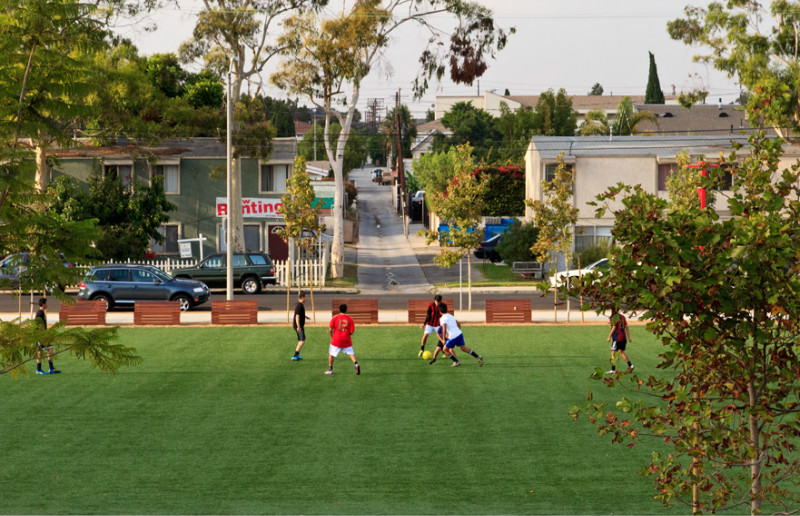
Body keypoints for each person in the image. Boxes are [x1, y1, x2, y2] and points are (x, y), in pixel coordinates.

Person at [429, 303, 483, 368]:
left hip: (453, 337)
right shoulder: (451, 316)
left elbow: (444, 328)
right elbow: (459, 324)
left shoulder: (442, 318)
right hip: (459, 334)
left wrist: (443, 339)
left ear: (439, 311)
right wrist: (456, 331)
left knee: (445, 350)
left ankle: (456, 362)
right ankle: (477, 357)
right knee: (463, 348)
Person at [326, 303, 360, 375]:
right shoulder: (350, 319)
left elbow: (330, 329)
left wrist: (332, 336)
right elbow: (352, 331)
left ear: (339, 309)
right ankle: (356, 365)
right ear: (346, 310)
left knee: (331, 354)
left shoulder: (335, 318)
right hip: (346, 339)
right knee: (351, 353)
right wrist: (347, 335)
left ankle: (330, 370)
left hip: (336, 339)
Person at [34, 298, 60, 375]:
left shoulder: (42, 312)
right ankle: (38, 370)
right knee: (40, 352)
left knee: (50, 349)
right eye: (46, 303)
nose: (47, 304)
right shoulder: (40, 313)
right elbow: (37, 325)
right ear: (43, 304)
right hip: (41, 336)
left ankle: (51, 368)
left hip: (44, 336)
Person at [291, 291, 311, 361]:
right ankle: (295, 355)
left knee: (301, 340)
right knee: (302, 341)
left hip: (299, 325)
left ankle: (297, 354)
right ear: (302, 297)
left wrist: (305, 317)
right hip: (298, 325)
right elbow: (297, 316)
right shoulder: (299, 305)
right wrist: (298, 326)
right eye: (305, 297)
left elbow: (300, 314)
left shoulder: (300, 305)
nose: (306, 299)